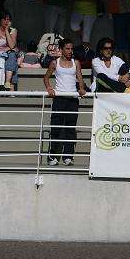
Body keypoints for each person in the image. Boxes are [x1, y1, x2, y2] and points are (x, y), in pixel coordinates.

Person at [43, 38, 86, 166]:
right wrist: (49, 88)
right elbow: (46, 78)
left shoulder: (76, 62)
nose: (70, 51)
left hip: (72, 99)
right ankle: (52, 157)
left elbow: (80, 78)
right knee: (56, 127)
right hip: (59, 99)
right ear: (61, 50)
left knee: (70, 128)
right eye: (67, 48)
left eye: (71, 48)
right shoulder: (54, 63)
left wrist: (82, 88)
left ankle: (68, 156)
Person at [0, 10, 19, 91]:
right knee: (14, 64)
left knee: (12, 56)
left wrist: (6, 31)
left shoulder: (13, 30)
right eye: (5, 19)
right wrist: (7, 49)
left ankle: (7, 82)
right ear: (0, 20)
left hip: (10, 55)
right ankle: (11, 90)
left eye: (8, 19)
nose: (7, 21)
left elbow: (12, 45)